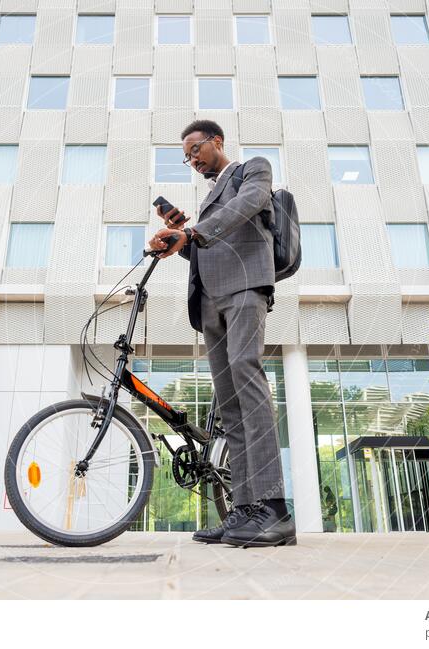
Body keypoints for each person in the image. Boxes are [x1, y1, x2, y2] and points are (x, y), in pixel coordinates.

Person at [148, 120, 296, 548]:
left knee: (248, 382)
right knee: (230, 408)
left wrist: (192, 231)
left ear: (217, 141)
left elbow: (249, 204)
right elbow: (203, 248)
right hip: (210, 300)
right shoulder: (210, 198)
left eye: (196, 149)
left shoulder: (254, 169)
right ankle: (243, 513)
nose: (192, 159)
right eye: (187, 156)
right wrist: (181, 240)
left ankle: (273, 509)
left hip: (245, 288)